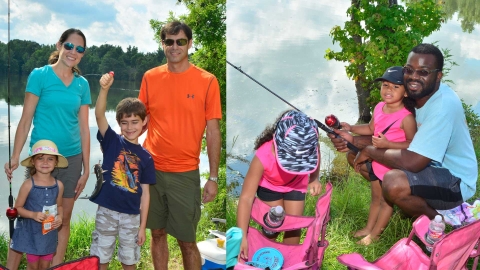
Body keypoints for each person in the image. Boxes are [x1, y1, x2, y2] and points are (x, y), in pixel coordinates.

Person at [331, 43, 477, 220]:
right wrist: (351, 140)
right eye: (409, 70)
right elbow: (388, 136)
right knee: (355, 156)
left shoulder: (442, 106)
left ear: (438, 76)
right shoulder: (414, 94)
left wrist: (369, 150)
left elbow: (414, 162)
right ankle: (408, 205)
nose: (413, 77)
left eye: (423, 72)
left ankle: (441, 223)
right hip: (428, 166)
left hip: (454, 181)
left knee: (394, 182)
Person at [138, 21, 222, 269]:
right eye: (169, 41)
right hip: (151, 169)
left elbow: (213, 131)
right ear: (163, 44)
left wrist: (213, 178)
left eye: (180, 41)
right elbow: (140, 121)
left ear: (190, 44)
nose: (175, 47)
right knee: (157, 233)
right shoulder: (150, 77)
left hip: (185, 173)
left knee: (187, 241)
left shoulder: (207, 81)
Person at [4, 28, 91, 268]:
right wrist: (14, 156)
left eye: (80, 49)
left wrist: (85, 169)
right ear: (59, 45)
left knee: (62, 218)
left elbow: (85, 129)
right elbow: (25, 120)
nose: (73, 51)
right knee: (30, 215)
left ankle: (56, 265)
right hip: (41, 158)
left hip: (71, 159)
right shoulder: (39, 75)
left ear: (83, 54)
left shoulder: (82, 85)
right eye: (69, 46)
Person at [339, 66, 417, 245]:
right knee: (376, 198)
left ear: (406, 92)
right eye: (385, 85)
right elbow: (370, 129)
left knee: (385, 202)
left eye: (395, 87)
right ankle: (368, 228)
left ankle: (374, 236)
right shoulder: (380, 107)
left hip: (391, 165)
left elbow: (412, 144)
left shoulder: (406, 118)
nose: (388, 90)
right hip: (376, 162)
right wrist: (351, 127)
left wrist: (388, 144)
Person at [89, 73, 156, 270]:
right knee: (101, 258)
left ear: (144, 122)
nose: (129, 127)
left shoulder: (146, 158)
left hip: (131, 217)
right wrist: (104, 89)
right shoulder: (111, 141)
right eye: (125, 122)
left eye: (135, 122)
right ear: (119, 123)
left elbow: (146, 195)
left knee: (129, 259)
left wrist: (143, 226)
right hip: (106, 212)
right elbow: (99, 114)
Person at [236, 110, 322, 261]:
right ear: (277, 142)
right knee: (273, 227)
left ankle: (287, 261)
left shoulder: (309, 145)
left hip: (296, 184)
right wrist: (242, 236)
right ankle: (266, 259)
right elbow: (246, 198)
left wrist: (314, 178)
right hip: (269, 186)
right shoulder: (263, 155)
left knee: (293, 228)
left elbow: (317, 153)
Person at [10, 140, 65, 270]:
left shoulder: (59, 185)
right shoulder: (28, 184)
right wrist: (32, 214)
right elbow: (17, 208)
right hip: (31, 234)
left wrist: (60, 217)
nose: (45, 162)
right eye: (40, 158)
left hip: (49, 235)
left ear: (56, 162)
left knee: (45, 265)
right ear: (33, 162)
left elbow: (60, 206)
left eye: (50, 159)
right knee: (33, 266)